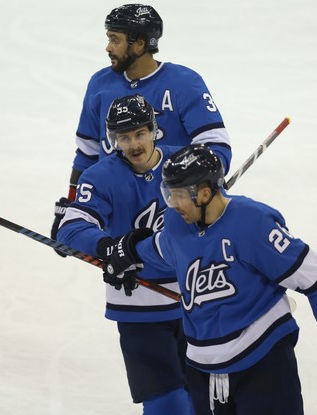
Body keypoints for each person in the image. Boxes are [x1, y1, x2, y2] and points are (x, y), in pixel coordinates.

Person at [101, 144, 317, 415]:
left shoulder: (253, 223)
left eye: (178, 194)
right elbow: (159, 249)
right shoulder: (177, 225)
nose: (172, 203)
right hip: (203, 373)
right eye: (169, 194)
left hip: (262, 364)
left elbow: (314, 275)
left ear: (203, 193)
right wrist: (127, 252)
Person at [57, 95, 231, 414]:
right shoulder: (100, 177)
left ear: (154, 130)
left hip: (195, 301)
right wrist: (107, 247)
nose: (134, 144)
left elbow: (224, 224)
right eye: (124, 137)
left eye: (139, 133)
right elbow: (69, 228)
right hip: (139, 308)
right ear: (113, 140)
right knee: (168, 405)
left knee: (207, 401)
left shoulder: (182, 166)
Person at [51, 3, 231, 248]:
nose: (108, 47)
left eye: (115, 40)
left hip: (176, 216)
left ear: (139, 44)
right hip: (121, 215)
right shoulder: (100, 85)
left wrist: (204, 183)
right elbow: (87, 153)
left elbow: (216, 147)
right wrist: (74, 206)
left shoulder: (183, 83)